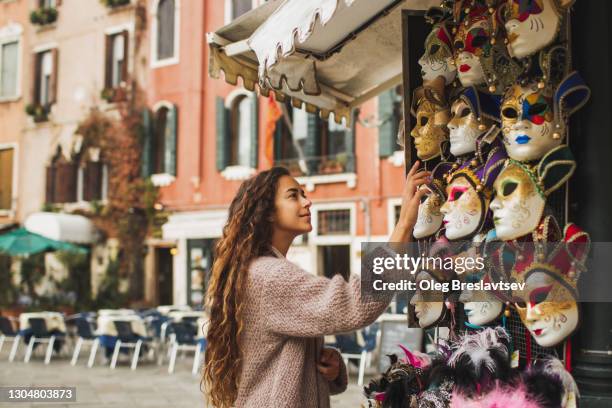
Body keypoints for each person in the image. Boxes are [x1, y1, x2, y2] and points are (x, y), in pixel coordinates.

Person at [203, 161, 430, 408]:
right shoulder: (269, 276)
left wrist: (328, 366)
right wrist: (404, 224)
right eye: (293, 196)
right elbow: (354, 303)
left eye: (304, 193)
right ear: (267, 211)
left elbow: (278, 364)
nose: (306, 201)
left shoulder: (261, 270)